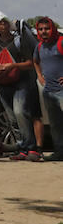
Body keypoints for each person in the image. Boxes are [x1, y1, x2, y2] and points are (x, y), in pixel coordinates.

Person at [0, 11, 43, 161]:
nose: (3, 25)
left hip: (20, 82)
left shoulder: (19, 42)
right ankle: (22, 148)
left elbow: (31, 63)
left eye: (5, 22)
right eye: (0, 23)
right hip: (3, 84)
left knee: (20, 113)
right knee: (12, 118)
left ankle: (31, 148)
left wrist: (13, 66)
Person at [32, 16, 63, 161]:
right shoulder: (39, 46)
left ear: (53, 28)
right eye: (40, 29)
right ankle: (59, 152)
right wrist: (39, 75)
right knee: (55, 124)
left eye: (47, 28)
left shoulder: (61, 42)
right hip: (49, 91)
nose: (44, 31)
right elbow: (35, 61)